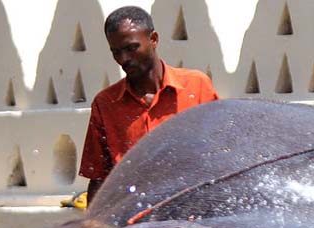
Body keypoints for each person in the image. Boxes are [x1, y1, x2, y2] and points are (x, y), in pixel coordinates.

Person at [79, 6, 219, 204]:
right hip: (134, 216)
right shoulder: (106, 104)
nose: (123, 59)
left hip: (193, 211)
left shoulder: (197, 86)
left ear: (153, 39)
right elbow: (99, 178)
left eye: (131, 48)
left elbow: (221, 155)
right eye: (116, 52)